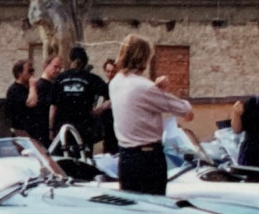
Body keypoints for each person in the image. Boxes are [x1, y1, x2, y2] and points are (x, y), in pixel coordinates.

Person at [108, 34, 192, 195]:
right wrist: (159, 91)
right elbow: (184, 110)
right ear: (144, 59)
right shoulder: (144, 87)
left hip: (125, 157)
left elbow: (137, 103)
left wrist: (155, 90)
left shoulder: (115, 83)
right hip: (147, 158)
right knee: (154, 204)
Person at [52, 46, 110, 151]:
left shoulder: (61, 78)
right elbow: (111, 96)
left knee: (65, 157)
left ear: (70, 60)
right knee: (83, 158)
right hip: (85, 128)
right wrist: (98, 110)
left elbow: (53, 107)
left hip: (63, 128)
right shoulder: (92, 78)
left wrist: (51, 128)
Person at [21, 55, 60, 145]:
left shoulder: (54, 85)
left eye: (60, 68)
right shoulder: (40, 86)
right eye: (55, 67)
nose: (58, 70)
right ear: (46, 66)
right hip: (42, 132)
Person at [4, 60, 36, 137]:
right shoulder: (14, 90)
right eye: (29, 70)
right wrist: (32, 86)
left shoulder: (28, 89)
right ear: (19, 73)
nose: (31, 73)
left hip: (33, 130)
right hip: (21, 131)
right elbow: (31, 103)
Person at [98, 58, 119, 153]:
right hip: (107, 123)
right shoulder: (105, 86)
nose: (110, 74)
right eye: (108, 71)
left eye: (113, 72)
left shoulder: (120, 87)